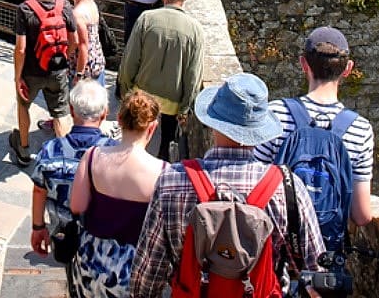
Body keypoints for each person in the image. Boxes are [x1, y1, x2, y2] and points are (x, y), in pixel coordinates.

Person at [129, 73, 325, 298]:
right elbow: (317, 272)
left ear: (213, 123)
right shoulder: (287, 188)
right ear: (259, 131)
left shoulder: (172, 182)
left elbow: (144, 280)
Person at [254, 27, 374, 238]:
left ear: (303, 64)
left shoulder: (275, 114)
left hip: (277, 249)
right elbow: (362, 215)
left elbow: (255, 189)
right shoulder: (360, 129)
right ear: (348, 69)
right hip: (326, 255)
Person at [69, 89, 165, 298]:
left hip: (91, 259)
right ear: (152, 127)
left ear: (119, 119)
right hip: (134, 268)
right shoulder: (163, 172)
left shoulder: (92, 156)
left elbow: (77, 206)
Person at [118, 0, 205, 162]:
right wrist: (185, 108)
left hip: (143, 94)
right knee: (166, 143)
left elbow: (130, 60)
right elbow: (193, 75)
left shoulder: (146, 19)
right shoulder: (196, 29)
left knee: (135, 139)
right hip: (173, 102)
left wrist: (126, 91)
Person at [29, 80, 112, 273]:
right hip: (100, 239)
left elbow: (38, 190)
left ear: (72, 111)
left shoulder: (50, 151)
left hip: (62, 231)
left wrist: (38, 227)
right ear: (104, 113)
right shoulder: (113, 153)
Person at [10, 0, 79, 168]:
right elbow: (74, 39)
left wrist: (17, 77)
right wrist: (64, 58)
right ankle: (66, 157)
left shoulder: (25, 9)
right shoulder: (64, 5)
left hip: (31, 71)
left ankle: (23, 150)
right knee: (60, 112)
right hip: (57, 69)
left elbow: (20, 49)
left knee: (24, 105)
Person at [66, 0, 107, 88]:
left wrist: (79, 74)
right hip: (97, 60)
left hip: (84, 66)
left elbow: (82, 45)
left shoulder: (77, 14)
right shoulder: (92, 3)